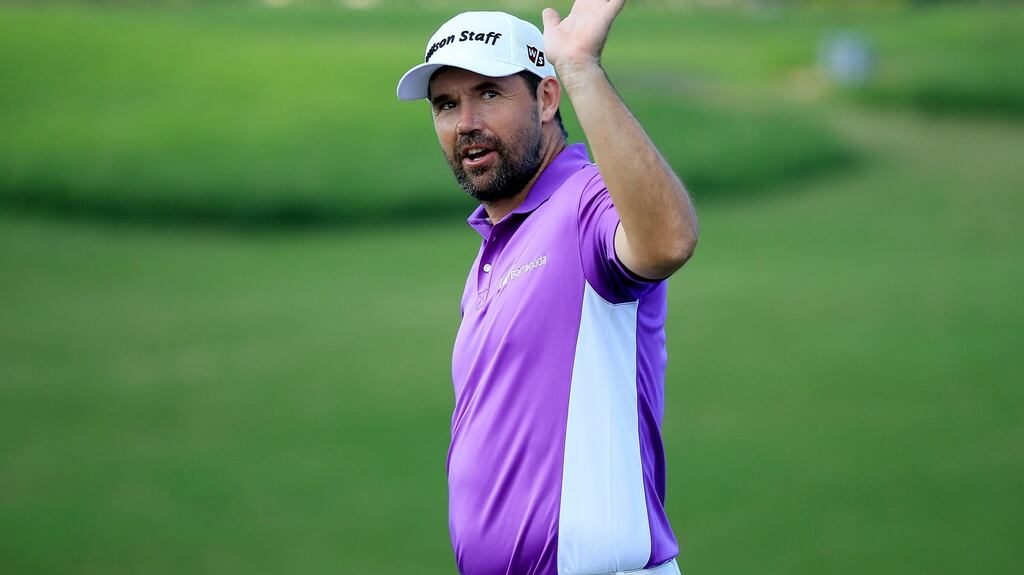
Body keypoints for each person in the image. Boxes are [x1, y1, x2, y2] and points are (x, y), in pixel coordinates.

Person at [396, 2, 698, 574]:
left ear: (547, 98)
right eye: (445, 104)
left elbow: (667, 241)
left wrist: (582, 69)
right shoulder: (496, 244)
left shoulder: (582, 204)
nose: (466, 123)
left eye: (489, 93)